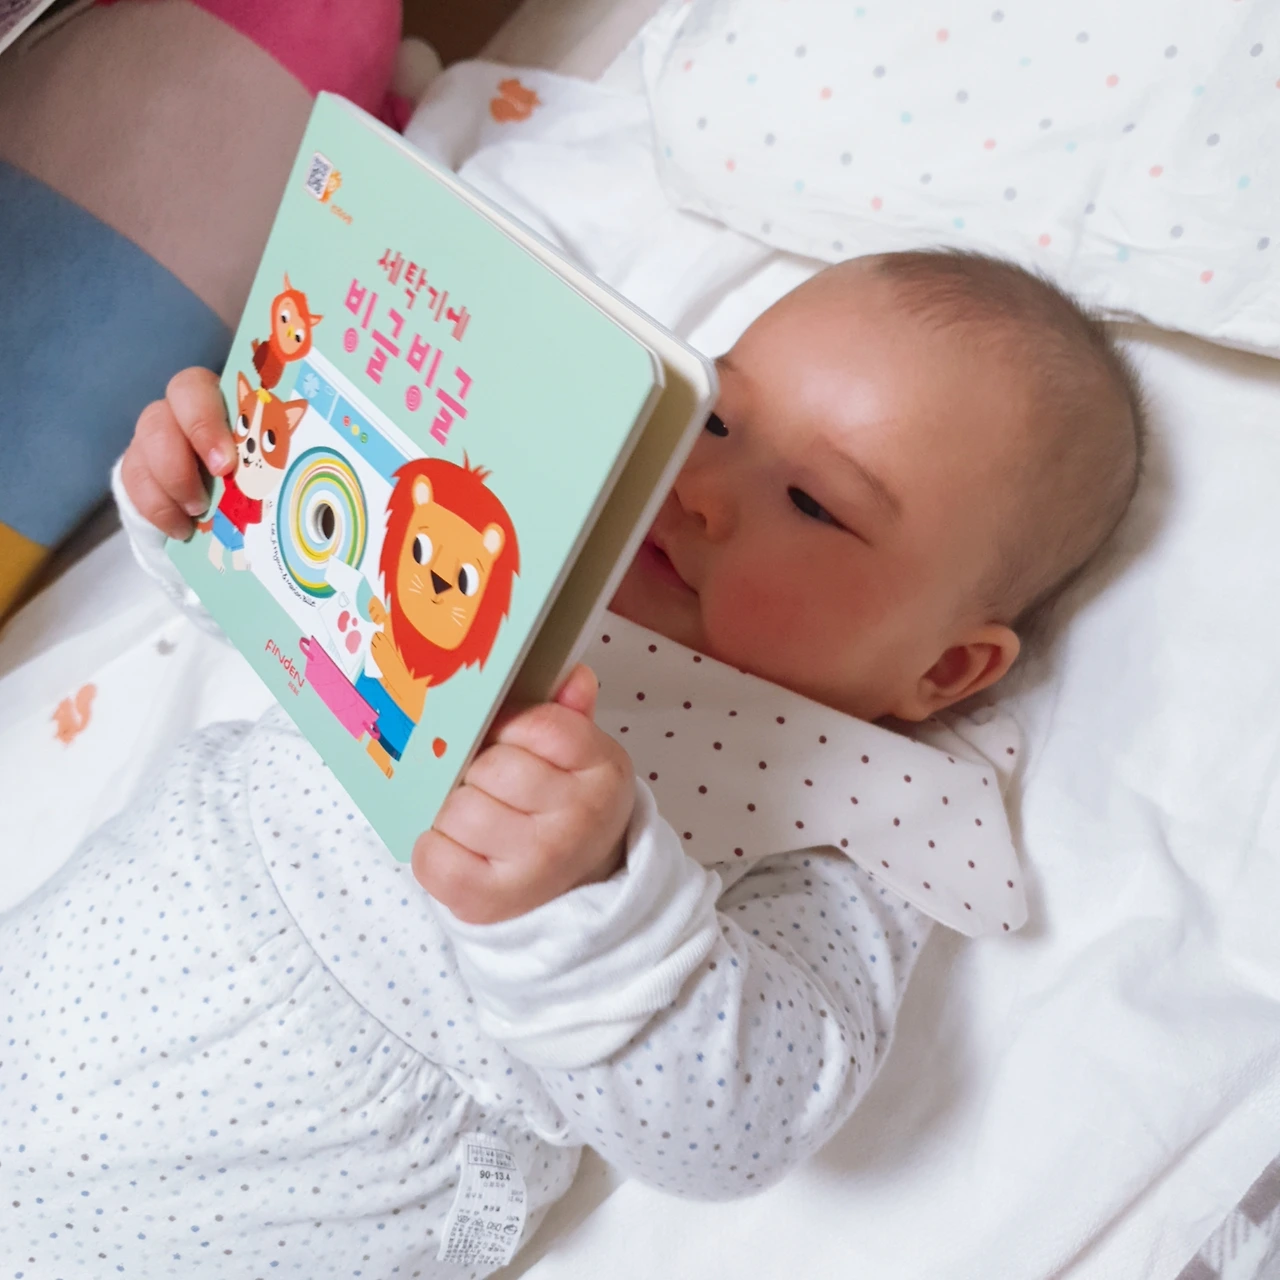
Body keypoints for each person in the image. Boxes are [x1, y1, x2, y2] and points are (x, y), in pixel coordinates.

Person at [0, 250, 1143, 1276]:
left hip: (308, 1155)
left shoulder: (856, 815)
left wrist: (590, 896)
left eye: (811, 502)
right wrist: (208, 502)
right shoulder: (537, 533)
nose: (697, 488)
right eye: (716, 419)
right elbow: (307, 615)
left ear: (943, 668)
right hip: (102, 942)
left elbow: (741, 1124)